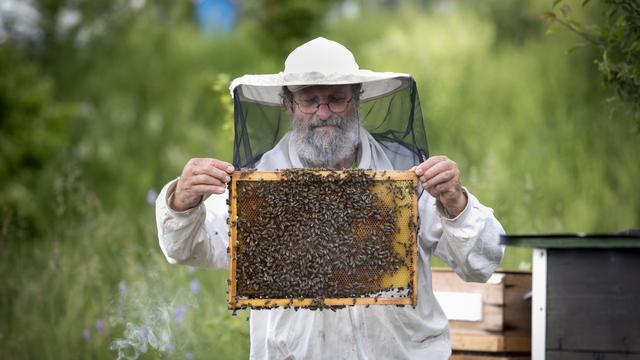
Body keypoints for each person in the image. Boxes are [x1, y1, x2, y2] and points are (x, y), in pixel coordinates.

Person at [156, 37, 504, 359]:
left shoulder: (405, 174)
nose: (323, 112)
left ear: (356, 99)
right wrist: (181, 202)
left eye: (336, 98)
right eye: (309, 100)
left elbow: (482, 261)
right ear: (290, 105)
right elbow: (188, 247)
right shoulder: (259, 184)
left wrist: (456, 203)